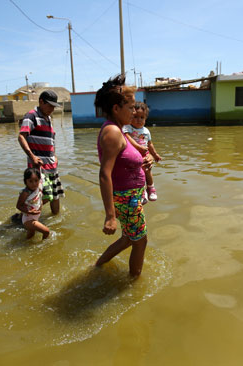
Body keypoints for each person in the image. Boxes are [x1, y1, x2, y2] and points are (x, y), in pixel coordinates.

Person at [94, 74, 154, 277]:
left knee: (128, 238)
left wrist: (145, 160)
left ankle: (97, 266)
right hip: (126, 198)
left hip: (130, 196)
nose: (134, 111)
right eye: (130, 107)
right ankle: (133, 285)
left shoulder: (120, 130)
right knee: (140, 241)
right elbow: (104, 174)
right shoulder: (112, 132)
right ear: (116, 109)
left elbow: (126, 159)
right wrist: (110, 216)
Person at [18, 90, 64, 215]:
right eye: (49, 105)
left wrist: (54, 155)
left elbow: (51, 140)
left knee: (55, 195)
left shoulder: (48, 118)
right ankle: (28, 219)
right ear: (41, 102)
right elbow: (21, 137)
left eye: (53, 106)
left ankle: (56, 220)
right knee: (39, 197)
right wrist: (32, 156)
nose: (52, 109)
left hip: (51, 165)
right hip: (38, 167)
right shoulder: (31, 116)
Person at [122, 101, 162, 202]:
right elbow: (127, 138)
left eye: (142, 117)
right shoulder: (127, 127)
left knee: (148, 171)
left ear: (145, 118)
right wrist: (138, 147)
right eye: (136, 117)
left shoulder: (146, 131)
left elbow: (149, 144)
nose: (138, 120)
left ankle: (151, 188)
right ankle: (142, 192)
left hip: (144, 154)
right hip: (135, 155)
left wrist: (155, 154)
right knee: (138, 174)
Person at [16, 167, 50, 240]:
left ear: (39, 180)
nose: (34, 184)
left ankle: (24, 246)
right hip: (28, 218)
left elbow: (39, 171)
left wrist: (38, 165)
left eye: (36, 181)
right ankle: (43, 247)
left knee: (31, 234)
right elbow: (18, 206)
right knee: (46, 231)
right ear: (25, 182)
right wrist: (28, 211)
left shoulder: (38, 186)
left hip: (35, 216)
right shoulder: (25, 193)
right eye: (30, 181)